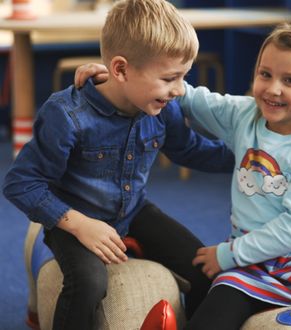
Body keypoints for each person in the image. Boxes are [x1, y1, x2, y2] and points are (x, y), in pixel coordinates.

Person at [75, 23, 291, 330]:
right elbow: (190, 97)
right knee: (209, 316)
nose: (273, 89)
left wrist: (227, 255)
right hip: (252, 267)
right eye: (265, 74)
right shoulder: (246, 115)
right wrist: (124, 79)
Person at [2, 0, 234, 329]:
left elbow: (190, 150)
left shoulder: (163, 107)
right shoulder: (66, 115)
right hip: (75, 216)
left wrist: (248, 157)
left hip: (133, 212)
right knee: (89, 283)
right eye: (170, 78)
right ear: (121, 70)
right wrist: (79, 224)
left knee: (205, 271)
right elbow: (21, 183)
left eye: (183, 77)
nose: (180, 89)